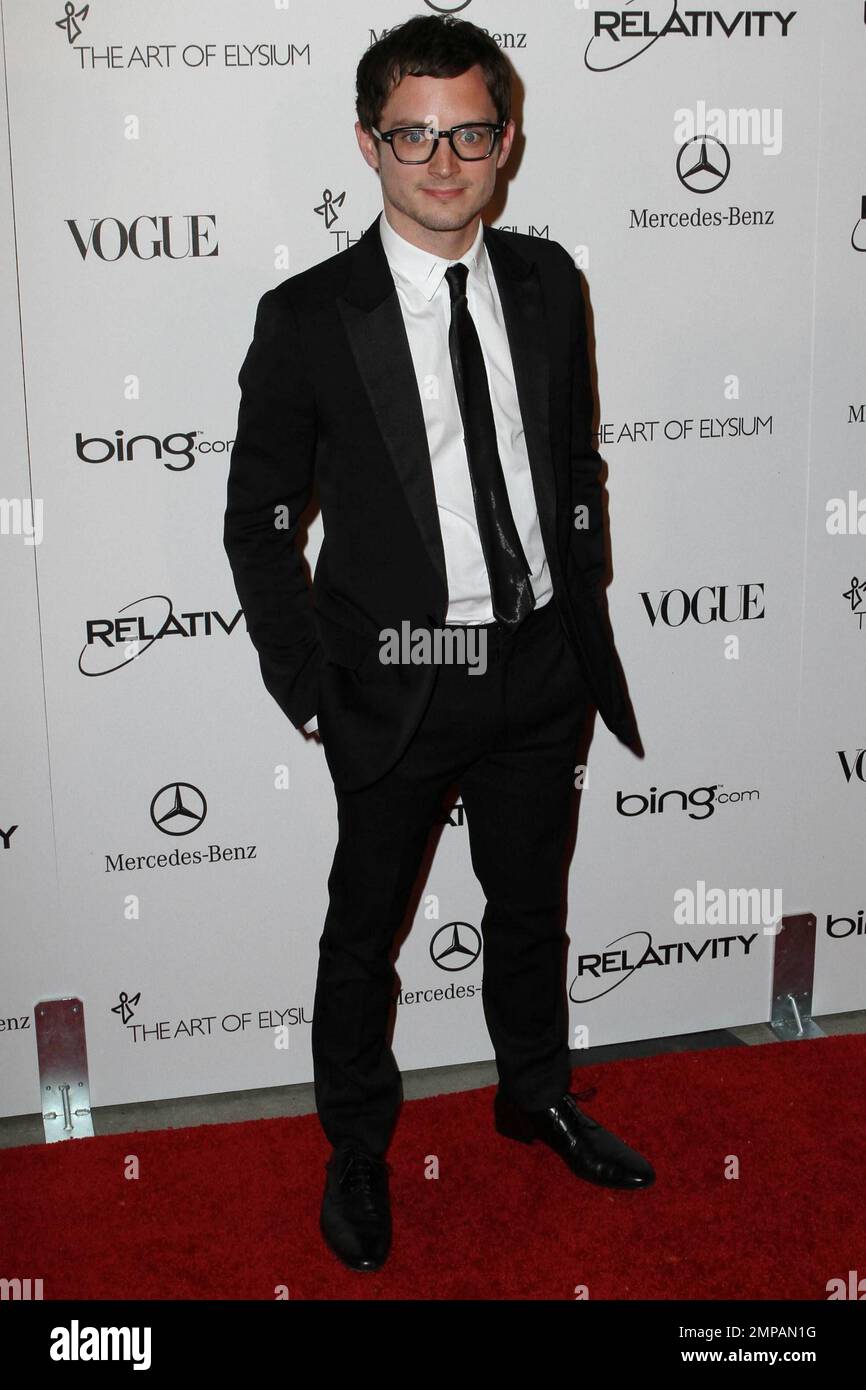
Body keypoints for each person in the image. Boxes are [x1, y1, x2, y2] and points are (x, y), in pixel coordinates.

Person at [223, 12, 653, 1275]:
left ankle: (533, 1093)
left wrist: (577, 608)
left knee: (529, 907)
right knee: (365, 930)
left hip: (536, 669)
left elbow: (569, 460)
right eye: (413, 134)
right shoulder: (308, 316)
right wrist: (312, 687)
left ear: (504, 138)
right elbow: (257, 522)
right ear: (368, 141)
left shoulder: (544, 280)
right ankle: (357, 1144)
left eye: (469, 130)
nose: (443, 160)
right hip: (393, 679)